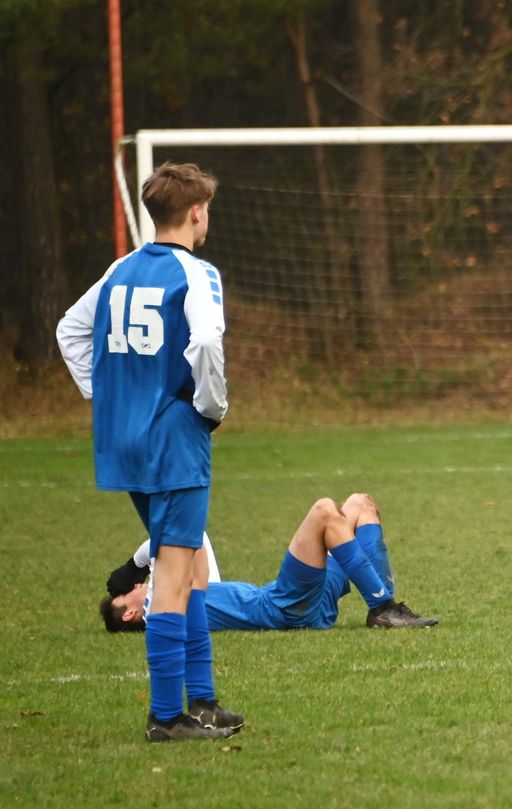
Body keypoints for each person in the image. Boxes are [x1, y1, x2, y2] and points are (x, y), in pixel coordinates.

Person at [57, 162, 243, 742]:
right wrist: (211, 408)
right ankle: (166, 716)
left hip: (126, 441)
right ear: (196, 212)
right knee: (175, 572)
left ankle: (203, 701)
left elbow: (69, 331)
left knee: (191, 566)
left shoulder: (120, 269)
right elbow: (207, 340)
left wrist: (108, 398)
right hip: (173, 438)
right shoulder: (197, 272)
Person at [102, 493, 438, 633]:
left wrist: (135, 569)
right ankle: (383, 607)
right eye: (128, 593)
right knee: (324, 510)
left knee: (359, 504)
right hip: (283, 606)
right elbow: (176, 538)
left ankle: (384, 610)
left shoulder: (194, 591)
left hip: (307, 603)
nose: (136, 584)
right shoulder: (165, 608)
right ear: (131, 613)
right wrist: (133, 565)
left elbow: (197, 539)